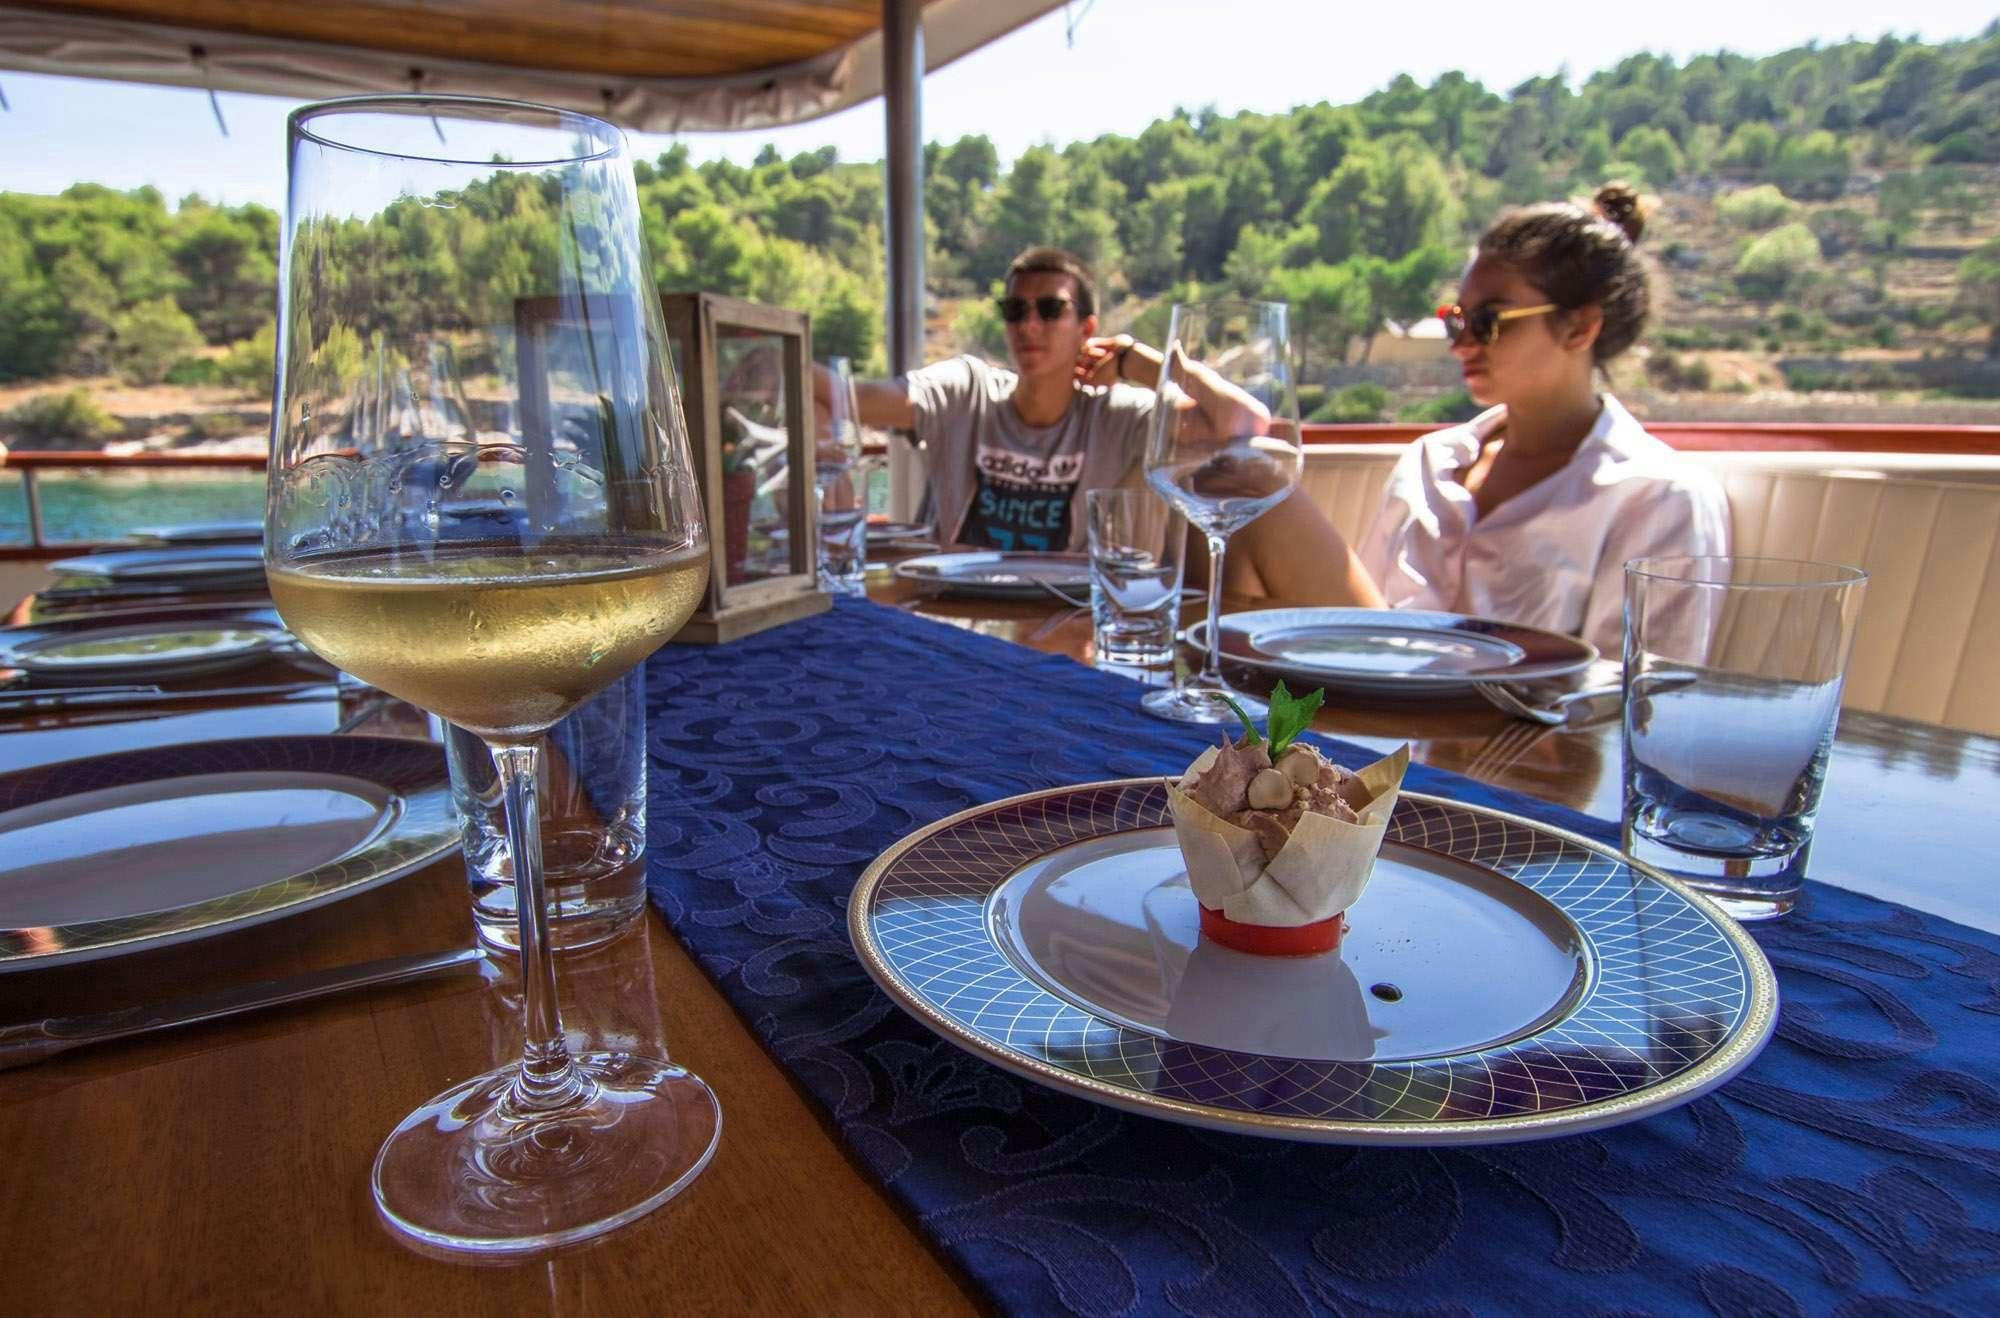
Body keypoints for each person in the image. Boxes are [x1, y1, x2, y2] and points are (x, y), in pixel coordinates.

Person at [1231, 183, 1729, 655]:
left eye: (1489, 321)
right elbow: (1369, 625)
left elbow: (1638, 701)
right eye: (1456, 320)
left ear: (1580, 327)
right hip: (1371, 712)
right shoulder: (1429, 461)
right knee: (1236, 476)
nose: (1462, 343)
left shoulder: (1659, 497)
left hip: (1514, 739)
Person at [831, 245, 1254, 552]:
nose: (1029, 326)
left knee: (1261, 467)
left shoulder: (1119, 415)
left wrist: (1139, 362)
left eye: (1050, 310)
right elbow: (853, 398)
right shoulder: (968, 390)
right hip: (954, 609)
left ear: (1086, 329)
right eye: (1015, 311)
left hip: (1059, 616)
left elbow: (1244, 423)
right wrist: (781, 361)